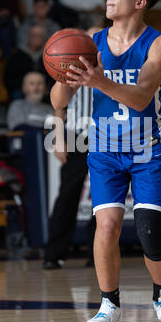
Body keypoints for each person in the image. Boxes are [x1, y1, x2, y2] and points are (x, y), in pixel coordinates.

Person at [50, 0, 161, 322]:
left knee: (149, 228)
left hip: (148, 148)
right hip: (106, 149)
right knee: (106, 226)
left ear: (140, 2)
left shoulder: (158, 44)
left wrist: (97, 80)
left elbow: (142, 96)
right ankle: (109, 304)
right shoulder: (90, 41)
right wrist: (64, 73)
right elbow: (58, 100)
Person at [43, 85, 95, 270]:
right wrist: (58, 137)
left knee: (104, 200)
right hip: (76, 136)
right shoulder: (72, 60)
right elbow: (59, 105)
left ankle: (98, 254)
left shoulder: (112, 58)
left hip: (105, 136)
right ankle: (54, 254)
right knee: (66, 197)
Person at [4, 24, 53, 100]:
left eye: (39, 35)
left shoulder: (49, 56)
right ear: (29, 36)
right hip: (21, 92)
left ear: (44, 38)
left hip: (44, 92)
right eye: (34, 35)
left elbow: (52, 78)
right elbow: (8, 79)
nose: (36, 38)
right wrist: (25, 85)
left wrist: (44, 86)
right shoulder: (16, 56)